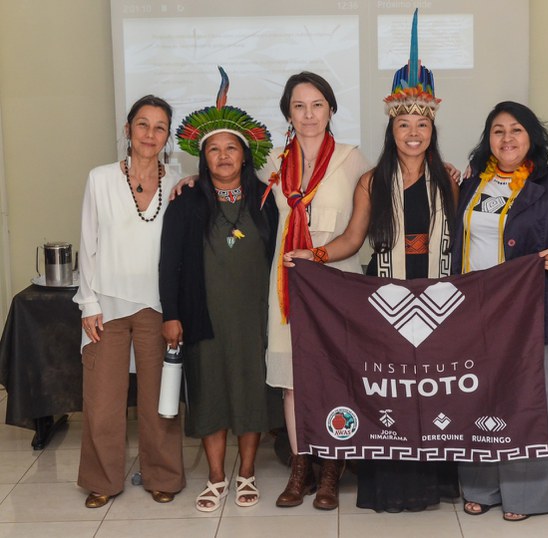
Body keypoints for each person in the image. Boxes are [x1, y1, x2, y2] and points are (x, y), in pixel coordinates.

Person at [285, 13, 460, 511]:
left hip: (438, 299)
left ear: (432, 129)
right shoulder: (371, 181)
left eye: (421, 124)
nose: (413, 133)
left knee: (434, 392)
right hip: (388, 302)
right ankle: (389, 485)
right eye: (404, 124)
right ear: (392, 128)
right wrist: (315, 254)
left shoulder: (449, 181)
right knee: (393, 392)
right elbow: (351, 239)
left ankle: (434, 484)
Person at [452, 101, 548, 521]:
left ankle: (525, 496)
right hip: (476, 314)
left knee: (533, 404)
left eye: (516, 130)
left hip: (538, 313)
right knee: (479, 398)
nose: (507, 138)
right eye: (498, 130)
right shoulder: (472, 182)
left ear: (532, 137)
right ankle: (481, 487)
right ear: (488, 139)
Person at [159, 68, 278, 512]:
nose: (223, 156)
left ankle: (246, 473)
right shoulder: (185, 202)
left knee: (250, 394)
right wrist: (172, 314)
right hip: (202, 318)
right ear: (203, 156)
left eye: (231, 148)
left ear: (245, 156)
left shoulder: (266, 201)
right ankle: (215, 477)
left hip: (254, 319)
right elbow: (169, 264)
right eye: (214, 149)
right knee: (209, 394)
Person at [263, 71, 370, 510]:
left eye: (317, 105)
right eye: (299, 106)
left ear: (331, 110)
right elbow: (224, 182)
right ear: (288, 113)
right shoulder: (272, 162)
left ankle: (331, 470)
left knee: (336, 377)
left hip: (338, 280)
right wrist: (187, 181)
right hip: (287, 283)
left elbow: (391, 192)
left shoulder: (352, 160)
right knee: (292, 382)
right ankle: (300, 467)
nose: (308, 114)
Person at [74, 95, 185, 508]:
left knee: (161, 400)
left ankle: (163, 476)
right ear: (127, 129)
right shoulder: (101, 178)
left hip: (158, 307)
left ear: (167, 136)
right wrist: (88, 303)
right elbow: (88, 242)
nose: (150, 134)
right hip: (107, 306)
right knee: (103, 401)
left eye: (159, 127)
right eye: (143, 124)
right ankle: (102, 480)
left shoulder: (179, 182)